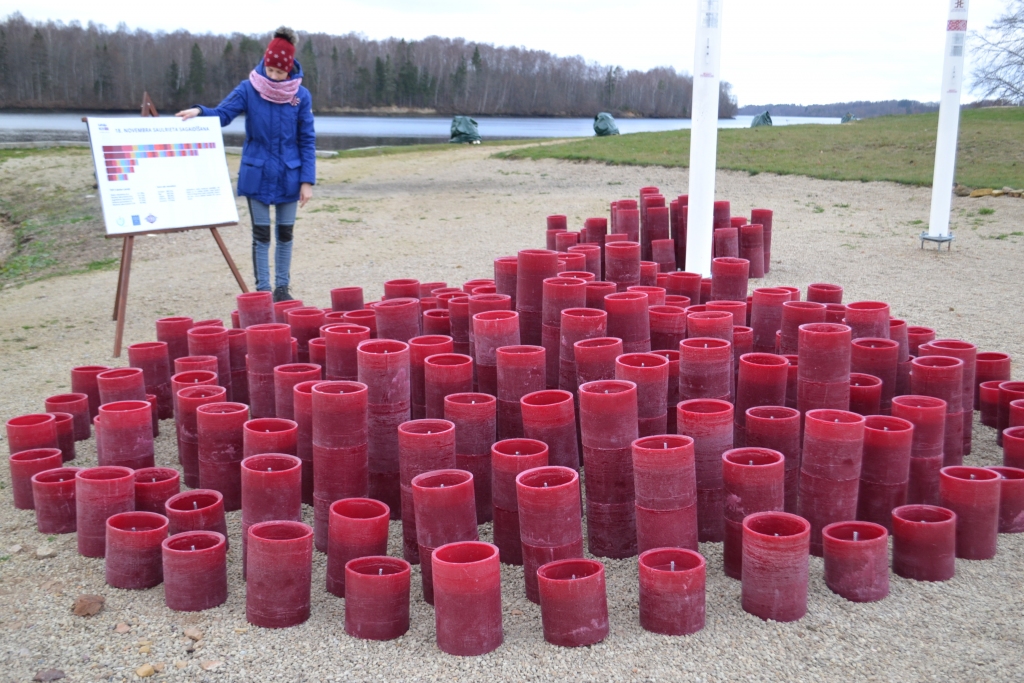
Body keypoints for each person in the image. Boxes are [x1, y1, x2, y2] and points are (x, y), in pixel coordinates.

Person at [177, 27, 315, 302]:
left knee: (285, 234)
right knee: (261, 235)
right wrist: (200, 112)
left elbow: (307, 140)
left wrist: (307, 181)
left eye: (279, 72)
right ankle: (263, 291)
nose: (273, 76)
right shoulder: (248, 88)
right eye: (270, 70)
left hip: (290, 174)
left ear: (289, 70)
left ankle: (282, 289)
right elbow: (223, 114)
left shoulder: (301, 96)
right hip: (257, 174)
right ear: (264, 62)